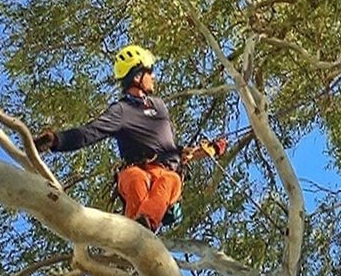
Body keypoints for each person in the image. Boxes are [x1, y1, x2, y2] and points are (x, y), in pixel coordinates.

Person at [34, 44, 226, 232]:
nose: (153, 77)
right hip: (137, 171)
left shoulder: (159, 106)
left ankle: (142, 228)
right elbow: (90, 132)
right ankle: (133, 235)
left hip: (166, 175)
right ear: (137, 76)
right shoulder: (121, 111)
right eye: (149, 73)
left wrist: (212, 149)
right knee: (134, 179)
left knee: (169, 180)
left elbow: (175, 150)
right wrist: (56, 140)